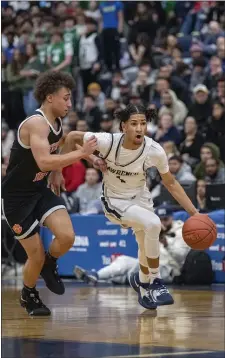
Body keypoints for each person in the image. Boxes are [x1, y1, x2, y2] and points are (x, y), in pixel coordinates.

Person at [64, 103, 200, 310]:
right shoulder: (107, 141)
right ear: (123, 126)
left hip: (141, 198)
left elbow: (171, 183)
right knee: (154, 224)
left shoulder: (155, 150)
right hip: (115, 200)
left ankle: (143, 285)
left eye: (143, 124)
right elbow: (72, 136)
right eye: (134, 124)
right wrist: (90, 158)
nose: (139, 128)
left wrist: (195, 213)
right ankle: (155, 281)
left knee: (146, 242)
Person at [1, 70, 100, 317]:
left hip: (39, 189)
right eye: (65, 98)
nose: (69, 103)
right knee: (34, 256)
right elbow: (44, 162)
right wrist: (79, 154)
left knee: (66, 237)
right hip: (17, 200)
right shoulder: (36, 123)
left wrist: (58, 171)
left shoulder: (56, 122)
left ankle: (51, 262)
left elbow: (61, 144)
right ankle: (29, 293)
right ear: (49, 98)